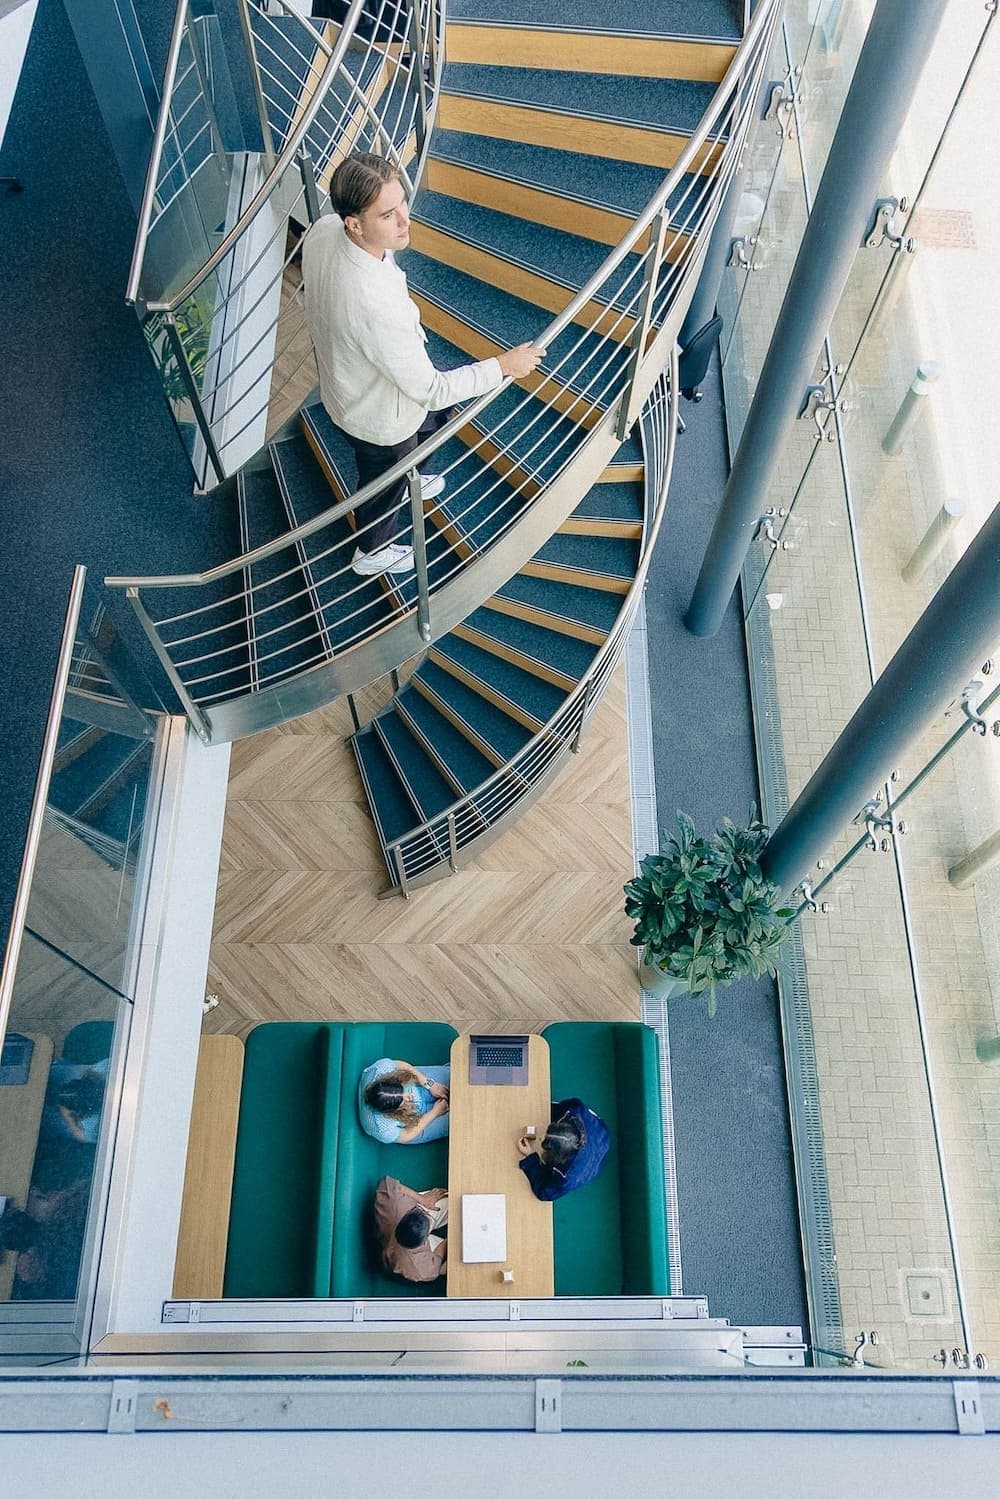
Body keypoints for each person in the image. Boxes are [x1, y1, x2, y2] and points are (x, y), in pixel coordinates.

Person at [301, 152, 545, 577]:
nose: (405, 222)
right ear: (354, 224)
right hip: (379, 417)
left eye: (402, 204)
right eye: (388, 215)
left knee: (428, 423)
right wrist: (504, 366)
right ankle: (371, 552)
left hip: (358, 382)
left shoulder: (323, 230)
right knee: (383, 481)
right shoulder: (372, 305)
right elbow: (432, 390)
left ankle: (418, 470)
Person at [516, 1098, 610, 1202]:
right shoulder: (575, 1109)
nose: (540, 1137)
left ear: (558, 1156)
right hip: (601, 1132)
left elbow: (544, 1192)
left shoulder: (568, 1176)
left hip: (592, 1161)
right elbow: (557, 1107)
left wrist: (531, 1158)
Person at [373, 1175, 448, 1283]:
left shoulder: (394, 1203)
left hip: (392, 1232)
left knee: (452, 1200)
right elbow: (437, 1259)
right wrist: (450, 1240)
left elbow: (386, 1183)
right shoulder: (419, 1269)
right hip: (408, 1258)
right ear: (423, 1241)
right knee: (453, 1259)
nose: (426, 1213)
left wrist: (421, 1198)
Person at [358, 1057, 450, 1143]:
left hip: (416, 1084)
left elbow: (403, 1066)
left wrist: (430, 1084)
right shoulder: (379, 1127)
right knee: (456, 1121)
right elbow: (407, 1135)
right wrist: (435, 1112)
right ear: (391, 1111)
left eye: (402, 1090)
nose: (410, 1097)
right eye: (403, 1100)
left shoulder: (380, 1070)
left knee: (453, 1077)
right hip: (412, 1122)